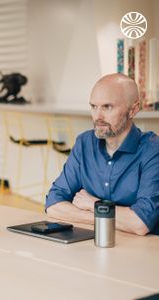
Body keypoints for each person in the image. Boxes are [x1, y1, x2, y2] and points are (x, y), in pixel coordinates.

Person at [45, 73, 159, 236]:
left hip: (141, 251)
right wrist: (101, 216)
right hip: (91, 244)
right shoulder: (84, 143)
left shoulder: (152, 150)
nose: (98, 117)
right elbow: (53, 204)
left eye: (107, 107)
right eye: (93, 107)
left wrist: (93, 204)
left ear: (133, 110)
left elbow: (140, 223)